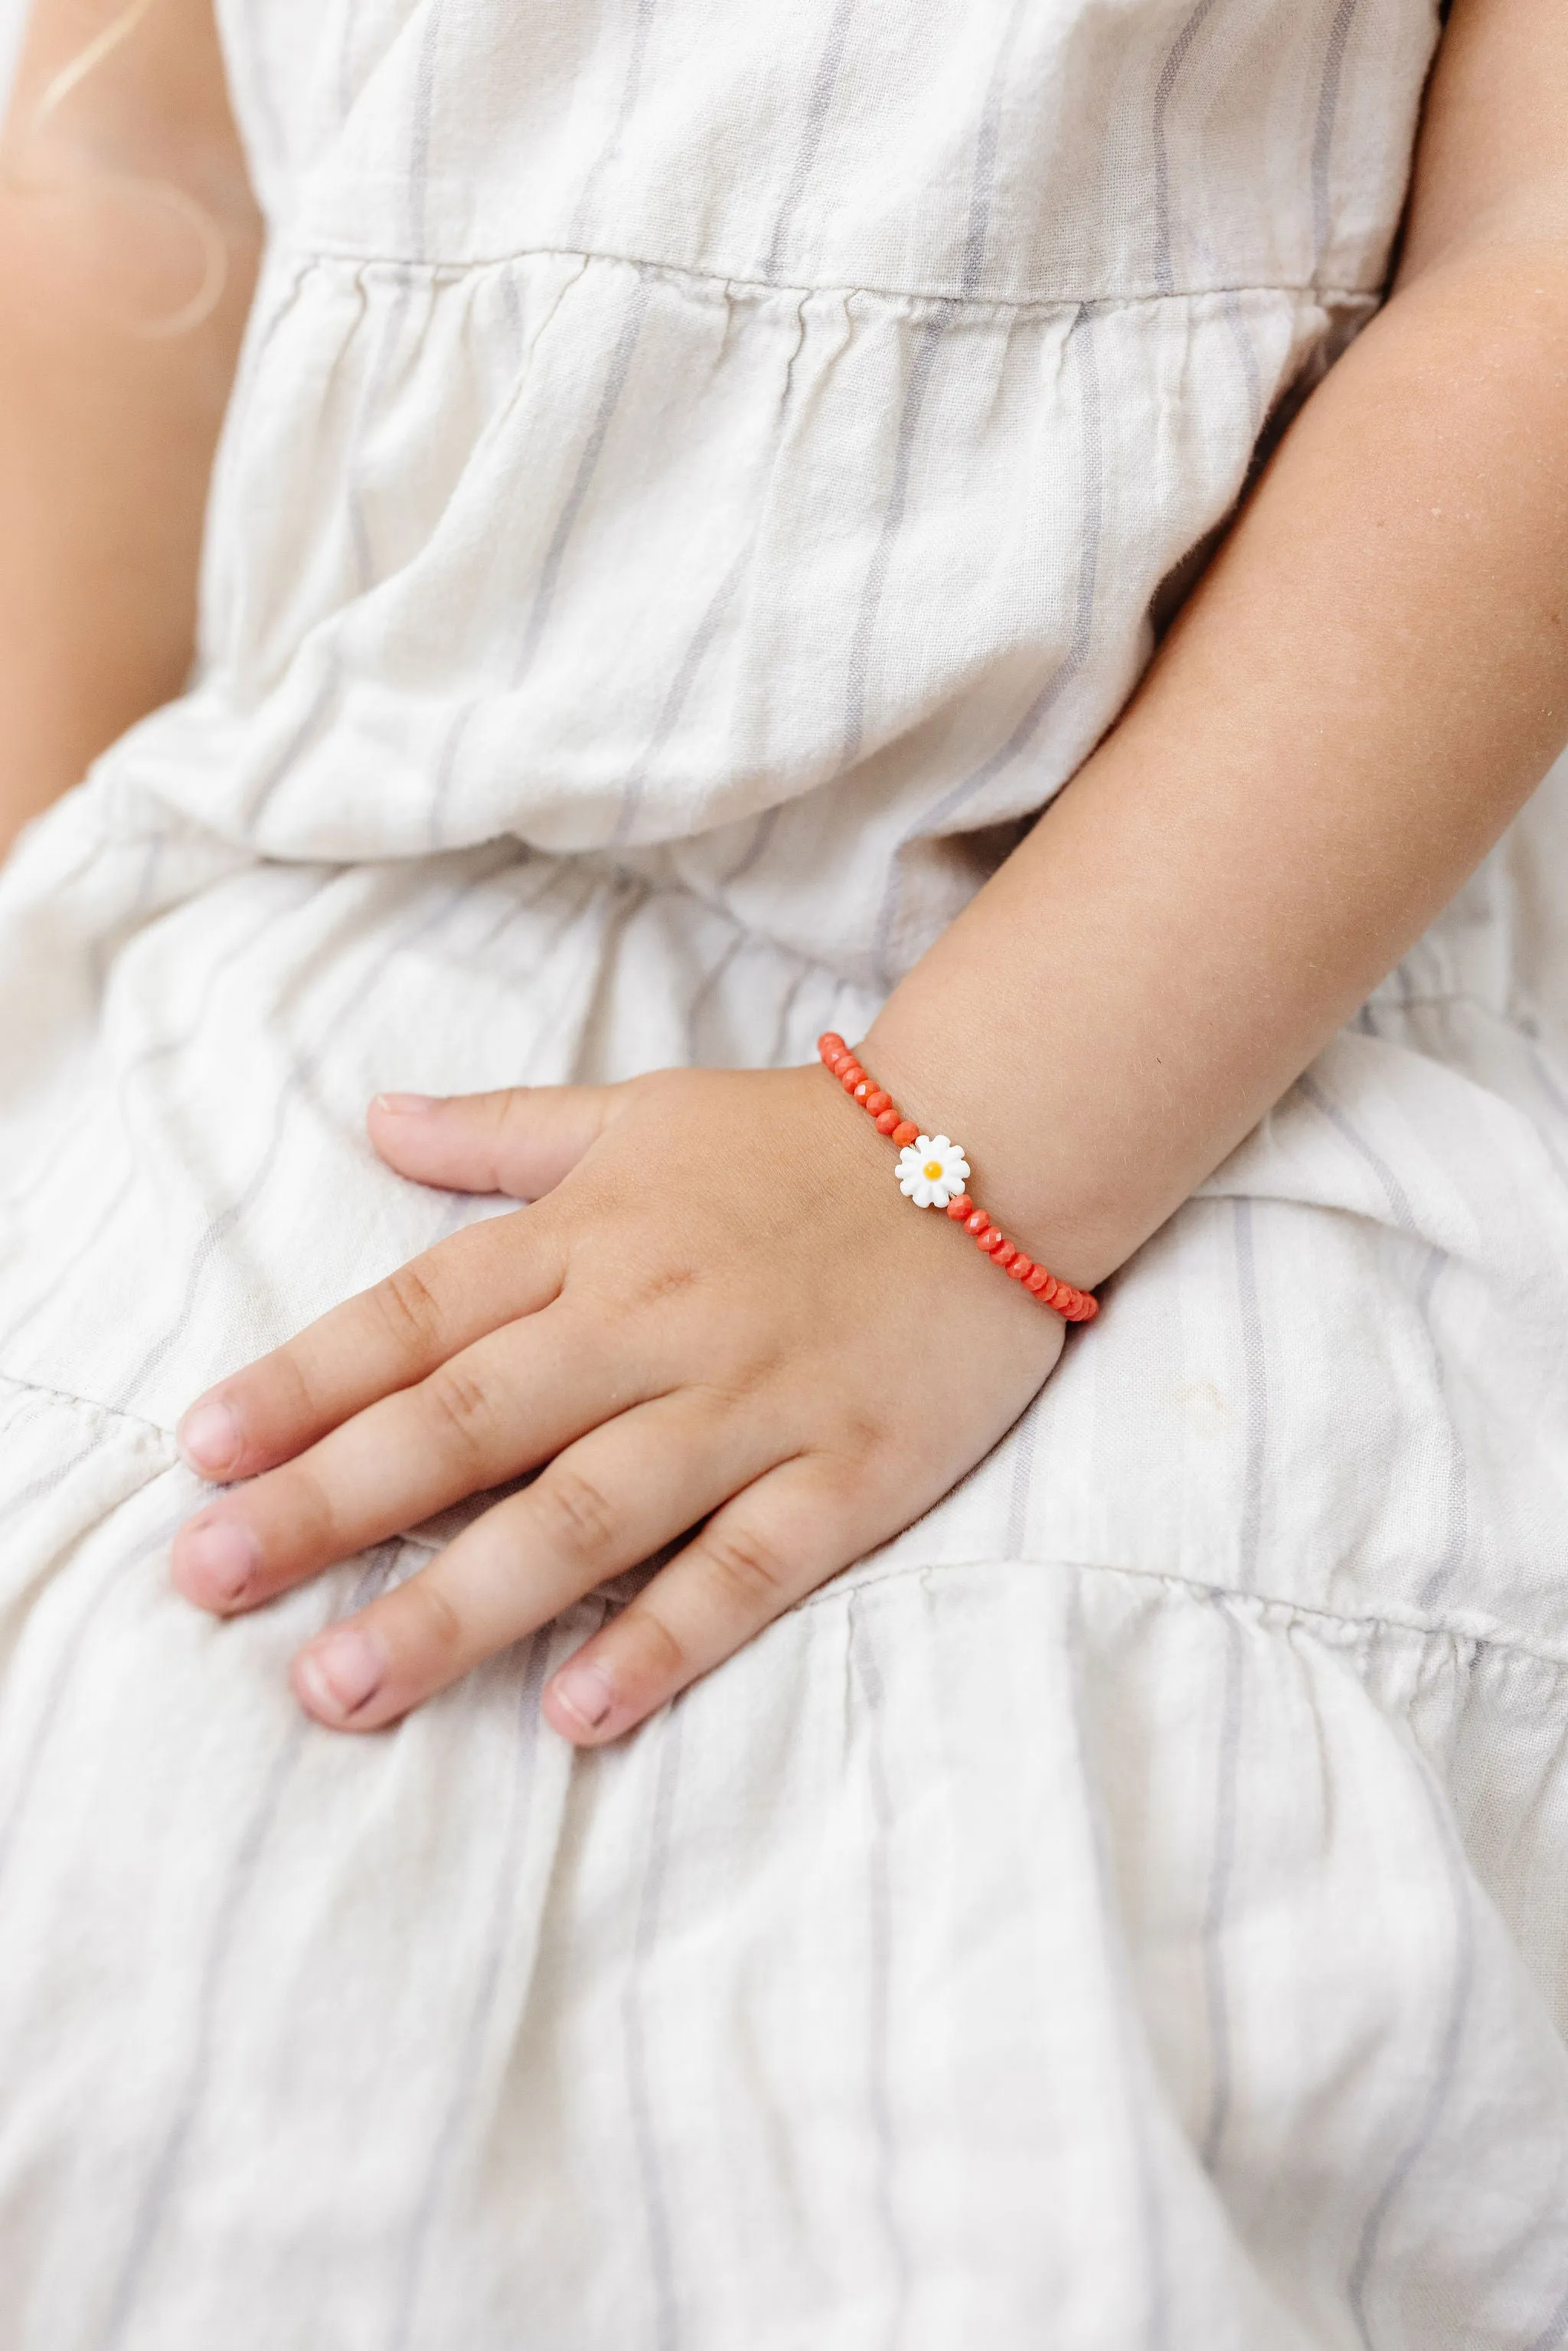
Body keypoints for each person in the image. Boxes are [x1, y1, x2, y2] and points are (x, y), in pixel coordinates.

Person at [2, 0, 1568, 2339]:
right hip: (297, 970)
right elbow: (127, 186)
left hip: (1169, 1024)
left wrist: (947, 1169)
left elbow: (1536, 284)